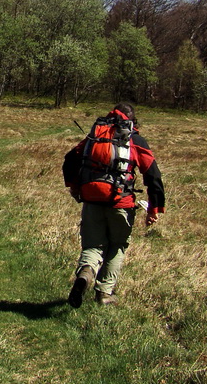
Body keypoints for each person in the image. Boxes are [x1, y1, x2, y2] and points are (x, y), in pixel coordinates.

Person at [63, 103, 165, 307]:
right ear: (132, 121)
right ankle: (104, 294)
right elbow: (153, 175)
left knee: (93, 245)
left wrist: (74, 187)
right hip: (121, 203)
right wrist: (154, 208)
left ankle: (85, 274)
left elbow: (69, 160)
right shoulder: (135, 140)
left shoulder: (95, 137)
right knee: (117, 246)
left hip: (92, 201)